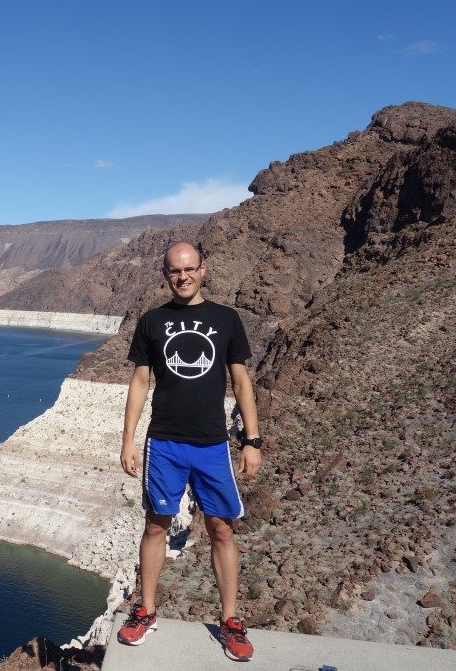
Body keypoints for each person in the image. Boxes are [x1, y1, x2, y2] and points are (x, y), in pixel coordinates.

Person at [116, 241, 262, 662]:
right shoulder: (152, 322)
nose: (183, 276)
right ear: (165, 274)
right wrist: (127, 440)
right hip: (163, 443)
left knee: (221, 529)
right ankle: (145, 610)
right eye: (174, 270)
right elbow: (140, 383)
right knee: (155, 526)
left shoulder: (226, 319)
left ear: (203, 269)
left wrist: (251, 441)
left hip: (212, 444)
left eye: (190, 268)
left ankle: (230, 620)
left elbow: (241, 382)